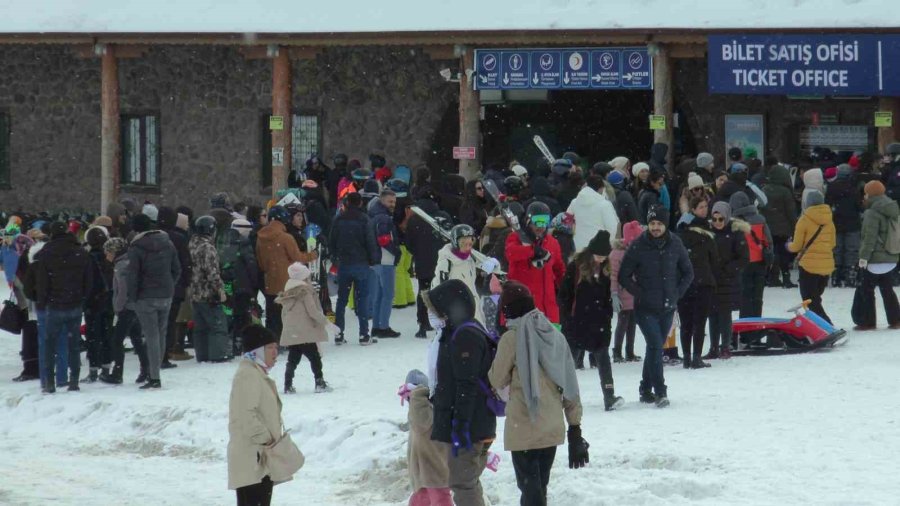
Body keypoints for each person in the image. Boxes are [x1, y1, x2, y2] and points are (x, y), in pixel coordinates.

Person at [489, 281, 588, 506]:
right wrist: (575, 429)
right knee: (539, 486)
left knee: (530, 490)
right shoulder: (554, 335)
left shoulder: (511, 339)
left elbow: (496, 380)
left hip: (523, 426)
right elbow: (570, 385)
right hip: (551, 426)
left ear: (507, 310)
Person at [422, 279, 496, 506]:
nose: (432, 315)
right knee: (466, 480)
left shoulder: (465, 336)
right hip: (473, 421)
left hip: (471, 424)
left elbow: (467, 384)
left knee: (463, 482)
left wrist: (460, 426)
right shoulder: (457, 331)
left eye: (436, 310)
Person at [618, 205, 693, 408]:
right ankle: (661, 391)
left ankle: (645, 388)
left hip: (668, 307)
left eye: (659, 224)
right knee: (655, 346)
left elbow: (688, 272)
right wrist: (639, 292)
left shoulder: (675, 243)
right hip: (645, 308)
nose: (655, 227)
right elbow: (623, 274)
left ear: (665, 225)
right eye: (652, 224)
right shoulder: (638, 245)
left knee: (654, 348)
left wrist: (677, 294)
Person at [559, 231, 623, 411]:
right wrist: (567, 318)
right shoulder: (576, 267)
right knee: (569, 363)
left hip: (598, 323)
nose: (601, 259)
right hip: (577, 322)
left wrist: (607, 316)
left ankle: (609, 396)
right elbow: (564, 295)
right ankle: (561, 397)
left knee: (603, 359)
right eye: (598, 255)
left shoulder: (605, 269)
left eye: (604, 256)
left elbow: (605, 297)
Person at [33, 221, 92, 393]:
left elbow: (42, 282)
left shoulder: (47, 253)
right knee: (73, 344)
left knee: (49, 345)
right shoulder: (80, 252)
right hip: (74, 304)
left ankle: (50, 382)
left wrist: (42, 301)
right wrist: (82, 297)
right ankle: (74, 380)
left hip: (54, 304)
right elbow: (88, 280)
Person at [227, 325, 282, 506]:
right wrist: (267, 439)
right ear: (257, 351)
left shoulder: (257, 373)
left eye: (276, 347)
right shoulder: (248, 375)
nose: (275, 352)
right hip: (252, 454)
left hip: (261, 454)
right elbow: (245, 414)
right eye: (270, 348)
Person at [127, 213, 181, 389]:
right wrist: (169, 285)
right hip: (165, 294)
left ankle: (153, 375)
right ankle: (155, 371)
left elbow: (133, 275)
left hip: (145, 296)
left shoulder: (136, 247)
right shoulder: (167, 243)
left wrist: (132, 297)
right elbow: (177, 269)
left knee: (151, 335)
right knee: (161, 333)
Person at [257, 205, 317, 342]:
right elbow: (298, 257)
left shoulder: (260, 238)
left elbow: (260, 262)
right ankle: (287, 340)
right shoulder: (286, 238)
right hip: (286, 283)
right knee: (287, 313)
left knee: (272, 314)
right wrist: (312, 255)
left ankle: (272, 340)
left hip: (269, 282)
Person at [329, 192, 379, 345]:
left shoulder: (339, 219)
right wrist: (373, 260)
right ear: (360, 203)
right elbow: (370, 241)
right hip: (361, 264)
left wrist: (335, 258)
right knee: (362, 299)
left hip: (344, 264)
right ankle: (364, 335)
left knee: (341, 301)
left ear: (347, 203)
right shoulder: (364, 219)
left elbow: (332, 241)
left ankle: (338, 334)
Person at [676, 197, 719, 369]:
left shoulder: (680, 236)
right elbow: (714, 260)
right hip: (703, 282)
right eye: (701, 207)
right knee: (699, 322)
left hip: (685, 283)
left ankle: (687, 356)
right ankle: (696, 357)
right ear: (693, 210)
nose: (704, 210)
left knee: (686, 322)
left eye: (705, 206)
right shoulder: (707, 235)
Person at [505, 202, 565, 324]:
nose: (541, 226)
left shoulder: (552, 243)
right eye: (537, 221)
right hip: (522, 311)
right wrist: (532, 250)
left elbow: (559, 269)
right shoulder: (516, 238)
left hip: (548, 311)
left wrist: (567, 288)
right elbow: (510, 253)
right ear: (528, 221)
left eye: (545, 221)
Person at [276, 262, 332, 394]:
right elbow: (312, 311)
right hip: (306, 333)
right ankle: (319, 382)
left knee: (292, 359)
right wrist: (326, 322)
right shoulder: (304, 292)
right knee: (314, 357)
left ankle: (287, 385)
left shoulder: (287, 294)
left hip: (293, 333)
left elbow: (283, 315)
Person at [99, 237, 149, 384]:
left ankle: (117, 372)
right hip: (136, 306)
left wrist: (118, 308)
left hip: (126, 308)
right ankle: (146, 369)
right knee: (137, 339)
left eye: (107, 251)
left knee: (117, 340)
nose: (106, 255)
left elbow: (122, 290)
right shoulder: (132, 260)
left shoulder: (121, 265)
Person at [399, 369, 452, 506]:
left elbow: (420, 421)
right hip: (423, 475)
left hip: (434, 473)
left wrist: (417, 395)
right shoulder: (422, 410)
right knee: (419, 501)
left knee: (441, 501)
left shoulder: (424, 410)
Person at [852, 181, 900, 329]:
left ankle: (867, 322)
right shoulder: (893, 208)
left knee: (866, 290)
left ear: (870, 194)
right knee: (887, 290)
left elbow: (869, 238)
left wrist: (863, 258)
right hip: (891, 257)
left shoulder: (872, 213)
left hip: (874, 259)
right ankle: (896, 320)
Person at [706, 202, 749, 360]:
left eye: (721, 219)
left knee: (724, 314)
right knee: (712, 315)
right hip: (712, 279)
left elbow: (744, 258)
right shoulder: (708, 232)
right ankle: (713, 347)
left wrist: (728, 269)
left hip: (728, 280)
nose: (717, 222)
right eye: (714, 219)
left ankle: (725, 346)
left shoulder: (735, 232)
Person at [786, 190, 836, 325]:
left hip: (808, 266)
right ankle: (818, 325)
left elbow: (796, 246)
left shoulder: (804, 219)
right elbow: (832, 243)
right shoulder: (829, 220)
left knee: (809, 300)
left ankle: (827, 326)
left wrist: (788, 245)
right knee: (816, 299)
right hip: (826, 266)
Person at [435, 224, 497, 325]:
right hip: (456, 308)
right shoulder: (447, 262)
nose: (467, 247)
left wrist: (492, 263)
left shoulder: (471, 257)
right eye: (463, 243)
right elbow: (440, 288)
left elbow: (491, 264)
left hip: (474, 306)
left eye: (470, 243)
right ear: (456, 242)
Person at [189, 216, 231, 362]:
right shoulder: (207, 248)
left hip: (195, 292)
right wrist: (220, 290)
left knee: (200, 328)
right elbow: (212, 272)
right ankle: (218, 354)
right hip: (208, 293)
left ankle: (202, 355)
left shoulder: (192, 244)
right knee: (217, 325)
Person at [730, 191, 773, 329]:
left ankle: (745, 327)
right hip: (760, 263)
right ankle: (756, 326)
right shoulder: (760, 219)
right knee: (757, 297)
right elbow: (768, 241)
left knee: (745, 298)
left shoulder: (735, 223)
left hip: (744, 264)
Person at [158, 206, 193, 367]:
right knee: (169, 322)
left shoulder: (151, 236)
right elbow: (185, 263)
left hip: (152, 287)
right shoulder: (178, 239)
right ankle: (164, 354)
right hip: (174, 286)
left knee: (154, 323)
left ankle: (153, 354)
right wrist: (186, 282)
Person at [405, 200, 444, 338]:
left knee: (423, 292)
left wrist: (417, 253)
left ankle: (422, 323)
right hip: (441, 261)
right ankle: (442, 322)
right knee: (441, 291)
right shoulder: (443, 217)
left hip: (422, 261)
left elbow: (408, 242)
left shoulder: (414, 219)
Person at [82, 225, 114, 382]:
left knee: (93, 336)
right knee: (107, 334)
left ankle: (93, 369)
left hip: (92, 302)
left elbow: (85, 282)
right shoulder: (110, 257)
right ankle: (107, 367)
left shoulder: (86, 258)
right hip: (108, 300)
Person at [368, 188, 402, 338]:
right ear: (382, 201)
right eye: (390, 201)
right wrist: (396, 251)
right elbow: (384, 239)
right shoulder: (384, 218)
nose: (393, 204)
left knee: (379, 295)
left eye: (394, 201)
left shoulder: (374, 215)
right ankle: (383, 326)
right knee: (387, 294)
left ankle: (377, 326)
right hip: (385, 259)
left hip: (376, 260)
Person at [760, 164, 799, 288]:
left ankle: (771, 277)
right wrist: (794, 228)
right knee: (783, 254)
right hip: (783, 229)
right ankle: (786, 278)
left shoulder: (764, 189)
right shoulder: (786, 192)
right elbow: (791, 212)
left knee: (771, 253)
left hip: (768, 228)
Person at [826, 164, 863, 288]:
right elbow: (859, 206)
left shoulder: (831, 188)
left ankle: (836, 275)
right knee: (851, 250)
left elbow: (827, 205)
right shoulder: (853, 189)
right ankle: (850, 275)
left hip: (836, 223)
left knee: (837, 248)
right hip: (852, 224)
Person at [610, 221, 642, 363]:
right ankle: (617, 351)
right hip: (623, 295)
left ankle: (630, 351)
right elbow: (613, 275)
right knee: (622, 324)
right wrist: (614, 293)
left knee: (632, 324)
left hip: (635, 295)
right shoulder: (617, 254)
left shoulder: (639, 251)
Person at [567, 174, 619, 253]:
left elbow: (567, 221)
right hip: (599, 248)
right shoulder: (604, 204)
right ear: (601, 188)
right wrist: (609, 245)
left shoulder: (575, 202)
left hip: (578, 245)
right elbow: (612, 227)